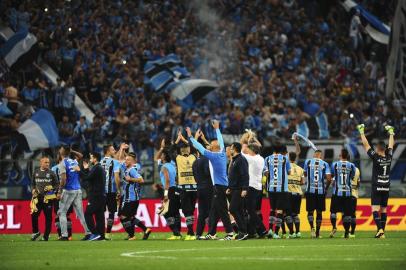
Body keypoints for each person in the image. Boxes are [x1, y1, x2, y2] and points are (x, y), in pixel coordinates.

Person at [187, 120, 234, 241]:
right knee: (214, 211)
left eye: (211, 146)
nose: (209, 146)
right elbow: (221, 141)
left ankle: (230, 233)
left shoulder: (213, 156)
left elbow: (200, 148)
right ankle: (212, 233)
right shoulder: (222, 152)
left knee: (222, 211)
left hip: (219, 186)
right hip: (221, 186)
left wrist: (191, 137)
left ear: (213, 148)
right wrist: (217, 128)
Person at [357, 124, 395, 238]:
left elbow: (366, 145)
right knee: (383, 210)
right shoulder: (389, 157)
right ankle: (382, 231)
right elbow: (392, 145)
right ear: (385, 148)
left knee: (374, 209)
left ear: (378, 149)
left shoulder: (376, 157)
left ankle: (380, 230)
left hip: (377, 186)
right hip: (386, 187)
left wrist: (362, 132)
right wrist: (391, 133)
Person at [57, 145, 91, 240]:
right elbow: (81, 156)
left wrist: (59, 191)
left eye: (60, 148)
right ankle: (88, 232)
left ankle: (64, 235)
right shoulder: (74, 161)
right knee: (80, 213)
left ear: (62, 151)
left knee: (62, 212)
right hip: (78, 190)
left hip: (68, 190)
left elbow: (63, 179)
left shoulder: (62, 163)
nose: (59, 149)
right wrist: (72, 151)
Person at [240, 131, 267, 238]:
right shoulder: (260, 158)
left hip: (250, 187)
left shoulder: (251, 159)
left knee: (250, 210)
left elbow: (241, 152)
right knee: (252, 210)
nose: (248, 151)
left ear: (253, 151)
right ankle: (252, 232)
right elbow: (258, 147)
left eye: (250, 150)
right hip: (258, 188)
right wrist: (252, 138)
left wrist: (249, 138)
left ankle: (262, 229)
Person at [118, 152, 151, 240]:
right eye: (126, 159)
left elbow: (141, 180)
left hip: (130, 197)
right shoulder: (126, 168)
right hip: (132, 197)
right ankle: (145, 229)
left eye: (128, 159)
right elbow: (119, 160)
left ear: (132, 161)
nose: (125, 161)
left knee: (123, 216)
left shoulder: (132, 169)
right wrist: (122, 150)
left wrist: (131, 179)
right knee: (130, 217)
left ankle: (132, 235)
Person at [263, 145, 294, 239]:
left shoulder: (267, 159)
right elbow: (289, 172)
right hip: (282, 188)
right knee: (280, 210)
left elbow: (266, 173)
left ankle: (270, 230)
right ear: (281, 150)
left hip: (271, 188)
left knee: (272, 209)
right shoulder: (285, 159)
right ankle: (276, 233)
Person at [174, 130, 198, 240]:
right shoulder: (193, 156)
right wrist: (184, 139)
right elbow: (193, 146)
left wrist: (179, 140)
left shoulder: (178, 158)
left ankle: (191, 232)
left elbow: (170, 150)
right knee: (189, 210)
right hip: (193, 188)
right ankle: (190, 231)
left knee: (187, 210)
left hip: (185, 189)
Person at [303, 149, 332, 238]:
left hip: (310, 190)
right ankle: (318, 233)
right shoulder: (324, 164)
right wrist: (326, 189)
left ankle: (312, 228)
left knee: (310, 212)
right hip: (320, 191)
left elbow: (304, 174)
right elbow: (329, 179)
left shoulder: (307, 162)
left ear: (314, 155)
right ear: (321, 155)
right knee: (319, 212)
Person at [330, 149, 356, 238]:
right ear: (347, 155)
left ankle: (334, 227)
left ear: (340, 155)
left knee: (333, 212)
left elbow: (333, 176)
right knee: (347, 214)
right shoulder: (352, 166)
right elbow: (352, 177)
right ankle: (346, 232)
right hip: (348, 193)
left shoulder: (335, 164)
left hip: (337, 193)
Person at [30, 156, 58, 241]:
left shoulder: (52, 173)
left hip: (48, 198)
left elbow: (57, 184)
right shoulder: (36, 172)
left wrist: (52, 189)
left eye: (48, 162)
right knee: (33, 215)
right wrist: (33, 189)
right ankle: (36, 232)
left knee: (48, 218)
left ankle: (45, 236)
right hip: (37, 198)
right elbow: (33, 184)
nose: (47, 164)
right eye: (45, 162)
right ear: (41, 163)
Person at [80, 152, 106, 241]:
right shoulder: (99, 168)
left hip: (96, 195)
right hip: (101, 195)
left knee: (87, 213)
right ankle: (101, 236)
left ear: (95, 159)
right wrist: (86, 169)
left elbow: (86, 178)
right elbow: (90, 178)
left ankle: (95, 233)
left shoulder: (97, 168)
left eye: (91, 157)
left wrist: (79, 171)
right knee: (99, 216)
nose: (90, 159)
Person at [158, 146, 182, 240]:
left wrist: (165, 194)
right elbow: (176, 179)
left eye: (162, 154)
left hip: (169, 190)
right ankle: (178, 233)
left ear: (164, 156)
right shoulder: (172, 166)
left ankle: (176, 233)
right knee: (176, 212)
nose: (161, 156)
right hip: (176, 188)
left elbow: (167, 180)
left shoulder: (164, 167)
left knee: (165, 212)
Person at [227, 142, 249, 240]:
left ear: (235, 149)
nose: (230, 150)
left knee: (232, 209)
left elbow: (245, 175)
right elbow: (234, 176)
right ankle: (243, 232)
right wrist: (230, 188)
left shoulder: (241, 160)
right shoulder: (235, 160)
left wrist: (245, 188)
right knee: (239, 211)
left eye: (231, 148)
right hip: (234, 189)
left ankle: (243, 231)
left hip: (239, 189)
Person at [192, 141, 213, 239]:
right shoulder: (206, 160)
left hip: (199, 188)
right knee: (210, 211)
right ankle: (211, 232)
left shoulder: (195, 162)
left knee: (202, 212)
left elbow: (195, 177)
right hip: (208, 188)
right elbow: (207, 172)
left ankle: (198, 233)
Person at [100, 144, 121, 240]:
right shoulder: (114, 162)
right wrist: (118, 189)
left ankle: (100, 233)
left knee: (100, 212)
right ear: (108, 151)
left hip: (101, 191)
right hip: (111, 191)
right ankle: (107, 234)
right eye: (113, 149)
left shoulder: (100, 162)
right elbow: (116, 177)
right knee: (111, 212)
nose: (115, 151)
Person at [51, 154, 74, 239]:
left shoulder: (53, 169)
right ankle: (69, 235)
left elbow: (51, 183)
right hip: (68, 192)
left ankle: (61, 235)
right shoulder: (68, 168)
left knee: (59, 214)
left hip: (57, 193)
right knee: (67, 215)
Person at [287, 144, 305, 238]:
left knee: (288, 214)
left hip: (289, 193)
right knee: (295, 214)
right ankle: (298, 232)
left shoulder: (286, 167)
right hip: (298, 193)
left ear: (288, 157)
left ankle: (291, 233)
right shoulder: (300, 169)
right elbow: (302, 182)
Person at [350, 166, 361, 238]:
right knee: (353, 214)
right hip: (354, 194)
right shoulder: (357, 169)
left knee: (345, 214)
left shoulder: (341, 166)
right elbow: (358, 183)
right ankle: (352, 233)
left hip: (345, 194)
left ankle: (346, 232)